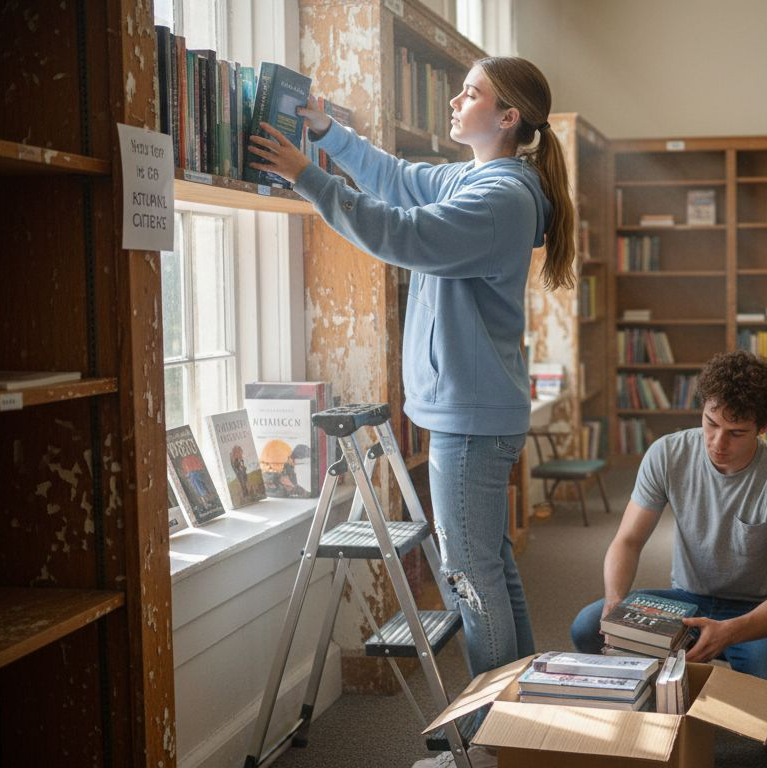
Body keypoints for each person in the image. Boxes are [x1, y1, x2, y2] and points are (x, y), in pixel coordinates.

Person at [248, 56, 574, 768]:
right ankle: (518, 728)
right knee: (491, 571)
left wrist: (308, 177)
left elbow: (400, 235)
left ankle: (488, 746)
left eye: (472, 92)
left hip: (470, 418)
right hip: (471, 410)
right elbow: (397, 180)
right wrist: (327, 134)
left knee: (472, 580)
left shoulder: (501, 198)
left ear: (508, 117)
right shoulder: (477, 178)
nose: (455, 100)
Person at [570, 350, 767, 758]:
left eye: (736, 432)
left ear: (764, 427)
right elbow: (627, 541)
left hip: (754, 610)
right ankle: (663, 692)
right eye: (711, 423)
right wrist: (615, 604)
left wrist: (731, 631)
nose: (718, 443)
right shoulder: (668, 453)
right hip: (685, 601)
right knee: (588, 626)